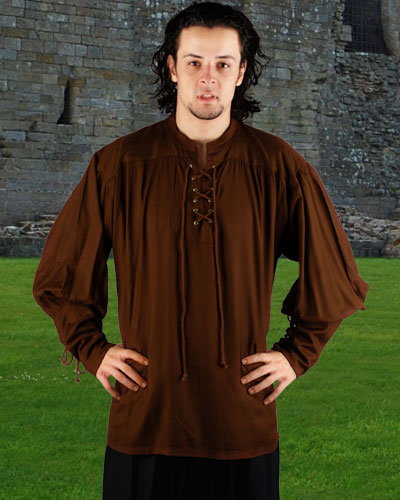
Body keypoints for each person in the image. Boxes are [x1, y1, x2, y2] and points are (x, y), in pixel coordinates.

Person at [32, 2, 369, 499]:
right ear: (172, 67)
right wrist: (92, 349)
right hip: (146, 422)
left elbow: (334, 271)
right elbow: (62, 273)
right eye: (194, 62)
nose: (207, 77)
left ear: (241, 72)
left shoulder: (278, 167)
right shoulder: (119, 165)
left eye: (222, 64)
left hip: (242, 425)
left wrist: (296, 355)